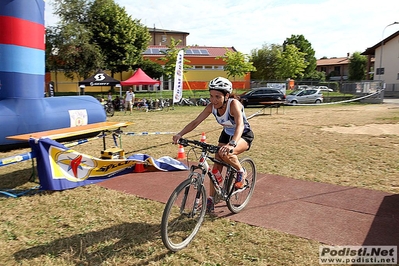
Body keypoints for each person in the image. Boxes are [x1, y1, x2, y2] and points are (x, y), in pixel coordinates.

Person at [172, 77, 254, 212]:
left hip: (242, 135)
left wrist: (232, 144)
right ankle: (210, 200)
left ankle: (241, 171)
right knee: (215, 169)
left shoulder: (233, 104)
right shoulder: (211, 107)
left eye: (217, 96)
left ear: (226, 95)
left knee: (226, 153)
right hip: (226, 134)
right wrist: (180, 134)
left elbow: (240, 125)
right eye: (211, 96)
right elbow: (195, 122)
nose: (213, 100)